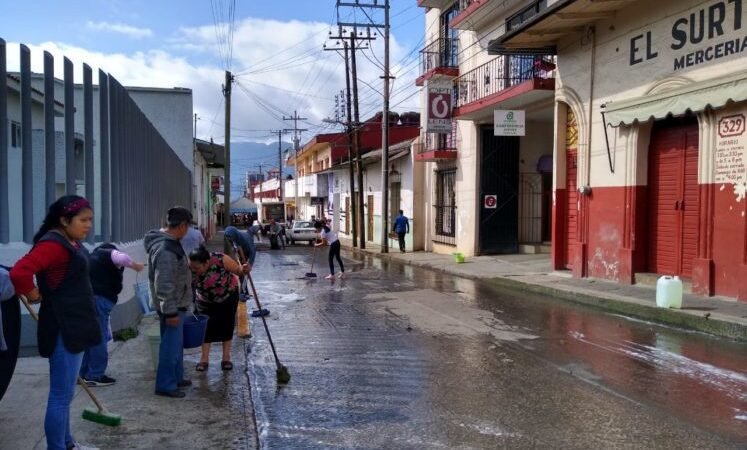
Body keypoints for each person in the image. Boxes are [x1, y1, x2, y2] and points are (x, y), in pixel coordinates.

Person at [10, 195, 101, 450]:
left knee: (66, 395)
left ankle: (67, 443)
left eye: (90, 220)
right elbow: (20, 273)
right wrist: (33, 293)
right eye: (83, 220)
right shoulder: (53, 245)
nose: (88, 225)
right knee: (61, 397)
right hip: (63, 329)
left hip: (76, 325)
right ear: (64, 219)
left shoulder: (68, 241)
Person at [144, 206, 193, 399]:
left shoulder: (169, 243)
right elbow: (164, 282)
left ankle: (176, 377)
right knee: (170, 347)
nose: (187, 231)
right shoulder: (166, 249)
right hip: (172, 305)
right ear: (181, 226)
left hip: (173, 303)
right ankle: (165, 384)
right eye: (187, 227)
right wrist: (171, 311)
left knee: (175, 344)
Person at [79, 244, 144, 387]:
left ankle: (83, 374)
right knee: (99, 338)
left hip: (88, 300)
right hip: (100, 300)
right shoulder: (107, 254)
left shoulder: (92, 257)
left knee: (90, 338)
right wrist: (135, 266)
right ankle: (95, 374)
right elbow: (122, 257)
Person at [189, 246, 247, 371]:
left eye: (197, 268)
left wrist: (244, 269)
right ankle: (204, 359)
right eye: (192, 267)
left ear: (206, 263)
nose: (194, 270)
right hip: (204, 300)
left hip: (228, 296)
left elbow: (238, 271)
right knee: (206, 328)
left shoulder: (221, 259)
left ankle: (226, 358)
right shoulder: (190, 266)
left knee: (226, 325)